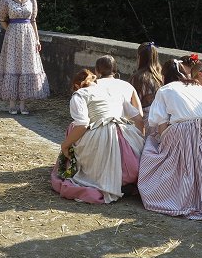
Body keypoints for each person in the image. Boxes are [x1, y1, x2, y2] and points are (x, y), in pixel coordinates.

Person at [138, 59, 202, 219]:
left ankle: (178, 196)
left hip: (182, 131)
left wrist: (165, 144)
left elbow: (160, 122)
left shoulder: (165, 90)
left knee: (154, 147)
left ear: (164, 76)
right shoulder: (198, 88)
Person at [50, 66, 145, 204]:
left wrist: (65, 145)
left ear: (77, 85)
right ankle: (123, 183)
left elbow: (82, 124)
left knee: (73, 129)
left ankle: (104, 181)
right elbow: (138, 117)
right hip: (124, 131)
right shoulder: (113, 92)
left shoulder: (80, 94)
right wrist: (141, 139)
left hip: (101, 133)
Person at [0, 0, 50, 114]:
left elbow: (33, 20)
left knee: (26, 67)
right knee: (12, 65)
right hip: (12, 37)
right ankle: (12, 104)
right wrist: (10, 30)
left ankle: (23, 105)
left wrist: (37, 39)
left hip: (29, 36)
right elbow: (2, 17)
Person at [130, 42, 163, 125]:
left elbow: (132, 105)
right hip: (161, 120)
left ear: (140, 57)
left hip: (144, 122)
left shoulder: (138, 78)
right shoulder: (162, 75)